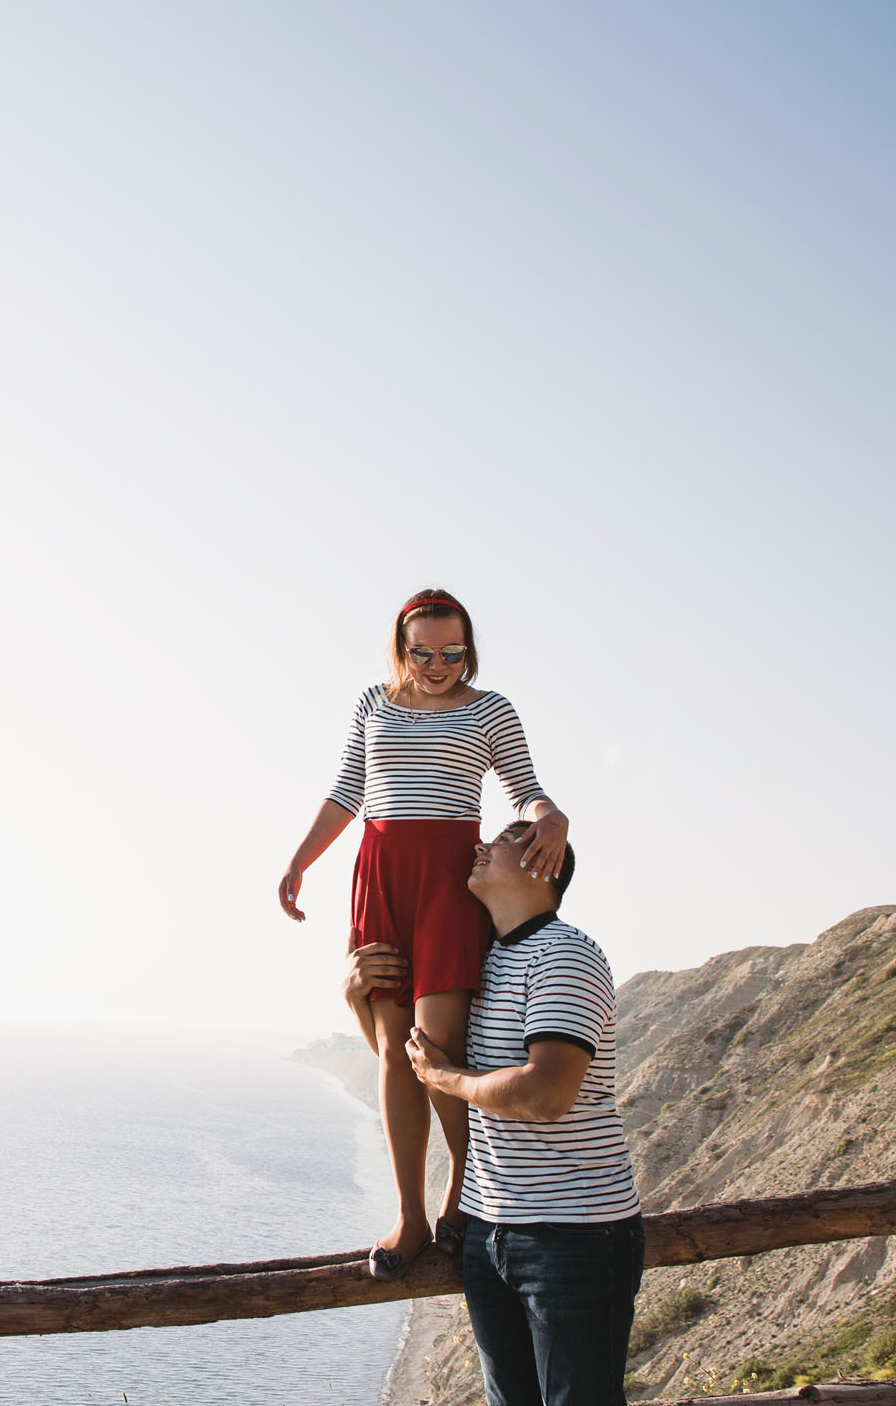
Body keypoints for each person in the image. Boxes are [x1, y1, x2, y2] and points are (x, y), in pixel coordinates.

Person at [278, 587, 567, 1279]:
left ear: (469, 649)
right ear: (400, 648)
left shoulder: (491, 709)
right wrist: (298, 861)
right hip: (380, 872)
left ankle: (463, 1195)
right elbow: (348, 788)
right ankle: (409, 1215)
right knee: (390, 1050)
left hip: (446, 879)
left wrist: (552, 813)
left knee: (436, 1047)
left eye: (452, 652)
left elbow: (525, 786)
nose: (437, 664)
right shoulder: (373, 702)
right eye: (422, 652)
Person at [404, 822, 642, 1406]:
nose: (481, 845)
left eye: (506, 839)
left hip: (575, 1235)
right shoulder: (484, 962)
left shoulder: (566, 954)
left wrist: (446, 1079)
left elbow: (546, 1093)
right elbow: (405, 1042)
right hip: (491, 1231)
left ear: (544, 862)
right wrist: (353, 990)